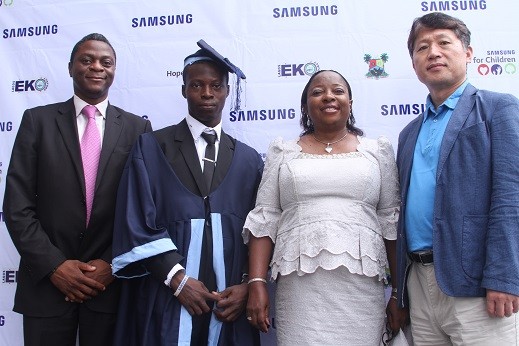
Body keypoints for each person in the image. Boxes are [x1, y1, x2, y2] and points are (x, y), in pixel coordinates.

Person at [3, 33, 152, 346]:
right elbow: (17, 206)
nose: (96, 67)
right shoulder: (37, 121)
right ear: (70, 67)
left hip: (110, 287)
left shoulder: (138, 129)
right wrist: (55, 267)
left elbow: (143, 210)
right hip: (46, 286)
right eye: (87, 60)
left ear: (114, 70)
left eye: (105, 61)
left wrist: (113, 264)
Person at [111, 40, 263, 345]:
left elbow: (260, 229)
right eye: (197, 85)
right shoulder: (152, 147)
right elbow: (135, 220)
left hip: (228, 302)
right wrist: (177, 280)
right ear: (183, 90)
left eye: (216, 85)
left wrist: (247, 284)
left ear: (227, 91)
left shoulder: (249, 159)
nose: (207, 93)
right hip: (167, 295)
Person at [243, 69, 408, 345]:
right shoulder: (283, 152)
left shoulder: (376, 151)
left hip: (361, 288)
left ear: (350, 104)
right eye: (317, 92)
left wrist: (396, 294)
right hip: (299, 290)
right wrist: (256, 282)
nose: (328, 96)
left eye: (338, 91)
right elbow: (266, 218)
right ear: (306, 105)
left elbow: (390, 222)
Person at [395, 12, 519, 345]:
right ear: (414, 65)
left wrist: (504, 277)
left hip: (477, 284)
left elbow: (510, 198)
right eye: (422, 47)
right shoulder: (408, 134)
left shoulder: (498, 109)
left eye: (443, 43)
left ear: (467, 52)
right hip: (418, 284)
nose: (433, 52)